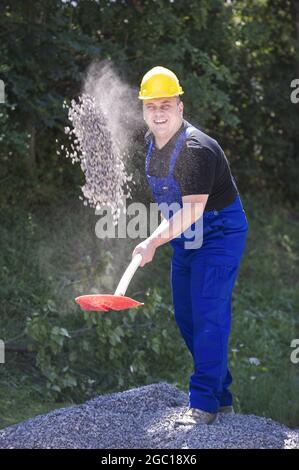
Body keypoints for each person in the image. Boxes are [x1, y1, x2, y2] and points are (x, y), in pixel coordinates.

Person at [132, 66, 248, 425]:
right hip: (186, 235)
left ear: (180, 107)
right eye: (151, 106)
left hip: (218, 233)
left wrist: (152, 241)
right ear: (144, 111)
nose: (159, 112)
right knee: (187, 317)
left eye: (166, 104)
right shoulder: (151, 147)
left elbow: (193, 208)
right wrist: (161, 237)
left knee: (209, 314)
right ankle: (222, 395)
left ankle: (203, 405)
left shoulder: (196, 148)